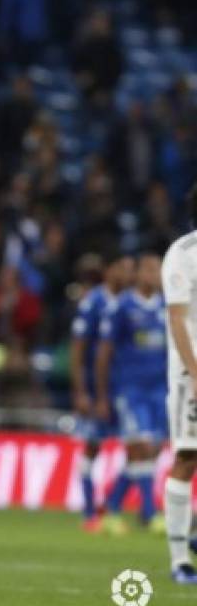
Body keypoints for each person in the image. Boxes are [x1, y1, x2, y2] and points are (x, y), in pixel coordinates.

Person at [96, 253, 167, 535]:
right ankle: (150, 513)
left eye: (158, 269)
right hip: (130, 388)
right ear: (138, 274)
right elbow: (104, 352)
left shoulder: (166, 306)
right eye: (150, 269)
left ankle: (111, 505)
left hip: (160, 389)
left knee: (152, 450)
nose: (155, 274)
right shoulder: (122, 307)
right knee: (139, 446)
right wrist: (102, 395)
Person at [70, 251, 134, 532]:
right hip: (96, 391)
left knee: (141, 448)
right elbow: (78, 350)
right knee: (92, 446)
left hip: (126, 387)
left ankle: (111, 505)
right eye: (123, 267)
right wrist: (82, 392)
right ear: (109, 270)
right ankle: (89, 513)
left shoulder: (130, 302)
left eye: (131, 269)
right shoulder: (93, 302)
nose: (128, 275)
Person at [161, 184, 197, 583]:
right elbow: (177, 319)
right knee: (188, 458)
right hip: (191, 373)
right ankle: (179, 559)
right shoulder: (183, 255)